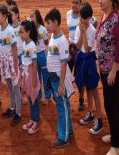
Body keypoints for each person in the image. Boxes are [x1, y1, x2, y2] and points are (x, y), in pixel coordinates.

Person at [95, 0, 119, 155]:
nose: (99, 1)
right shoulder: (105, 16)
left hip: (116, 70)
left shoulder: (117, 20)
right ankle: (117, 135)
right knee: (114, 103)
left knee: (110, 104)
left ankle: (116, 146)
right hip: (105, 69)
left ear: (112, 0)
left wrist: (114, 71)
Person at [45, 8, 74, 148]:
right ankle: (68, 129)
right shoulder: (52, 37)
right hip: (53, 77)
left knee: (62, 106)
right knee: (62, 104)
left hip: (58, 78)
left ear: (56, 22)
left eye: (49, 23)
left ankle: (64, 137)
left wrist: (61, 85)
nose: (47, 26)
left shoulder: (62, 40)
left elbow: (63, 64)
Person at [75, 3, 103, 134]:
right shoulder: (79, 27)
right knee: (87, 87)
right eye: (80, 18)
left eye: (84, 18)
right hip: (81, 59)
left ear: (90, 18)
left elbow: (87, 48)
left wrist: (84, 32)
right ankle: (90, 112)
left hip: (90, 59)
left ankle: (99, 119)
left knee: (94, 90)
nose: (82, 20)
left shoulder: (92, 30)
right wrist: (81, 32)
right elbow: (78, 45)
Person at [0, 4, 22, 126]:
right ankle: (12, 108)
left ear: (5, 16)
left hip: (11, 61)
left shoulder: (10, 30)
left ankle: (18, 113)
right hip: (4, 62)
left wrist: (16, 66)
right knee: (10, 86)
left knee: (16, 87)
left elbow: (14, 49)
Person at [20, 20, 41, 135]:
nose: (20, 34)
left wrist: (34, 80)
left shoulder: (32, 45)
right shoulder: (24, 44)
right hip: (27, 74)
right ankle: (32, 120)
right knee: (30, 98)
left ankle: (36, 122)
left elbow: (34, 63)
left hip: (32, 74)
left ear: (28, 32)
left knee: (34, 99)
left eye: (22, 32)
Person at [66, 0, 85, 111]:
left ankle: (81, 99)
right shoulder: (68, 14)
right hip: (70, 49)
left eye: (77, 3)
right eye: (73, 2)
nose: (74, 5)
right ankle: (66, 97)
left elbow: (95, 23)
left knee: (79, 76)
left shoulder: (83, 15)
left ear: (81, 3)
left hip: (80, 50)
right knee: (67, 74)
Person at [30, 9, 52, 104]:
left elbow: (46, 42)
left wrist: (42, 37)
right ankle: (38, 96)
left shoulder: (42, 29)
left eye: (32, 16)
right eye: (30, 16)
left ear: (37, 17)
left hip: (42, 54)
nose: (31, 18)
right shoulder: (30, 29)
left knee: (45, 75)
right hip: (34, 56)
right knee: (37, 76)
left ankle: (47, 96)